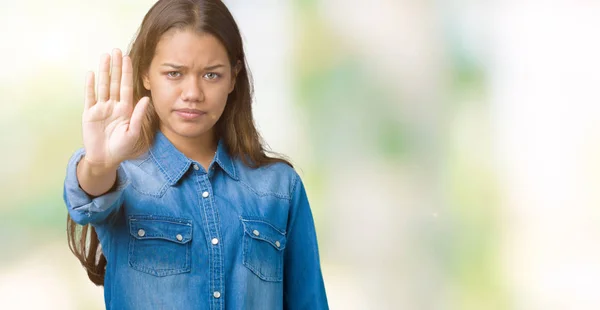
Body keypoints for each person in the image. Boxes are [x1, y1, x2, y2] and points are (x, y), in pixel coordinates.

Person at [63, 0, 328, 309]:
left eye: (211, 75)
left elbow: (309, 302)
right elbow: (88, 198)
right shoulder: (121, 176)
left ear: (233, 76)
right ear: (147, 74)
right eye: (174, 73)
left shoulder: (280, 188)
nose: (192, 93)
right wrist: (99, 163)